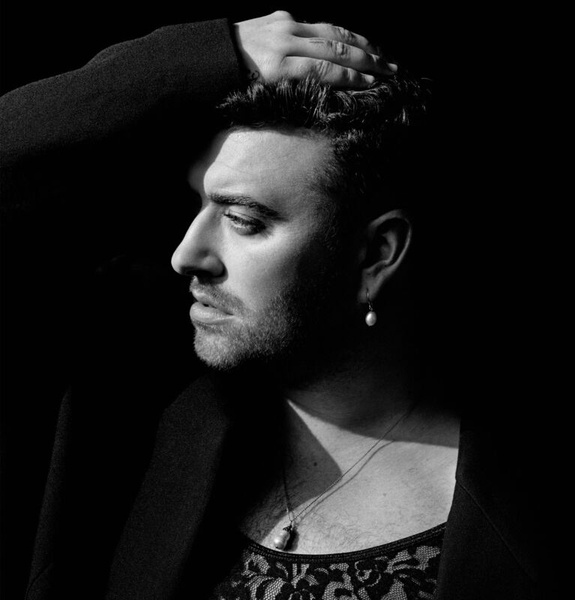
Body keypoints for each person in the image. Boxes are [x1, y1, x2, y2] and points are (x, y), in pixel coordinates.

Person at [0, 9, 543, 600]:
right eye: (197, 205)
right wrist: (211, 55)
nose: (187, 255)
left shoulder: (522, 516)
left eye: (243, 220)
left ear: (376, 254)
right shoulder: (134, 409)